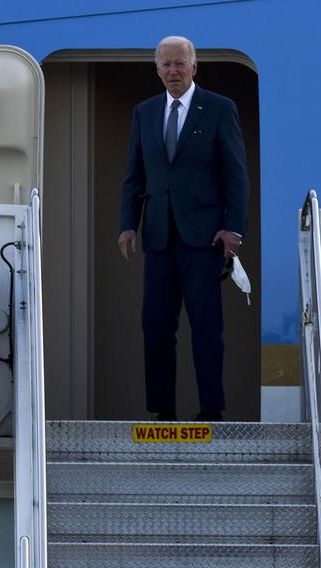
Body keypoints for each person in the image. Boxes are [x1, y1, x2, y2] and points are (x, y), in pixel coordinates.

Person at [118, 35, 250, 422]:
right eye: (166, 65)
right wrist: (128, 224)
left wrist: (233, 229)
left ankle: (211, 410)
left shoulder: (219, 109)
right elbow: (134, 176)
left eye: (180, 63)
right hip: (158, 236)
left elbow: (236, 176)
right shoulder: (144, 112)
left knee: (206, 327)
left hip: (205, 238)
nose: (173, 71)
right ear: (157, 70)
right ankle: (163, 411)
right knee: (156, 326)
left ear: (194, 67)